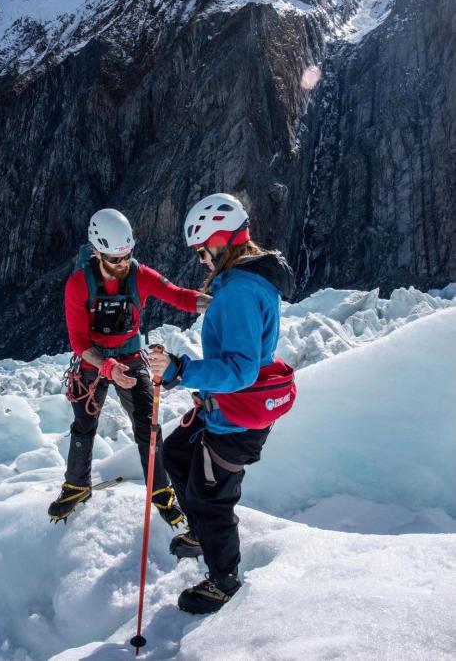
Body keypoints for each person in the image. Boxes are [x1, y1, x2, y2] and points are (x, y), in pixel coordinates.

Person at [149, 193, 295, 615]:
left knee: (212, 499)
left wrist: (181, 370)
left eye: (201, 250)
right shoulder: (243, 282)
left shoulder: (239, 293)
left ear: (217, 240)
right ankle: (200, 532)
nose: (200, 259)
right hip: (226, 408)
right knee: (177, 452)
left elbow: (241, 371)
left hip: (235, 421)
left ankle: (223, 581)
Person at [49, 208, 210, 525]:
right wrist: (107, 368)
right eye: (114, 259)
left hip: (129, 355)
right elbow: (80, 341)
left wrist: (217, 302)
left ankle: (162, 492)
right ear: (96, 253)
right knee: (84, 425)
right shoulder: (78, 284)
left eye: (127, 256)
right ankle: (76, 485)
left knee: (147, 427)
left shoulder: (139, 276)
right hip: (96, 359)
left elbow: (179, 296)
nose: (123, 265)